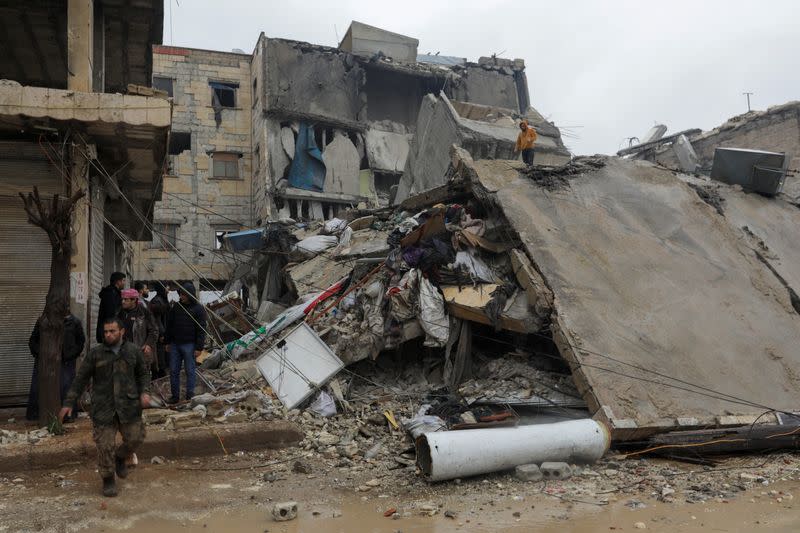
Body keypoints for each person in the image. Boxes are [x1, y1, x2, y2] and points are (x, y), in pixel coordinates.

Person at [60, 317, 150, 497]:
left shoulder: (133, 351)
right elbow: (80, 379)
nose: (108, 335)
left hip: (128, 406)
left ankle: (120, 457)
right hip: (104, 407)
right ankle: (108, 479)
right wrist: (69, 403)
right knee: (105, 445)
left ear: (122, 332)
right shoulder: (96, 354)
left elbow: (142, 373)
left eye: (112, 331)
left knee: (136, 437)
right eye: (106, 331)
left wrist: (144, 392)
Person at [26, 311, 86, 421]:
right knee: (39, 387)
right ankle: (36, 415)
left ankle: (67, 416)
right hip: (45, 362)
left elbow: (81, 341)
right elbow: (33, 341)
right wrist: (41, 355)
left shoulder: (74, 322)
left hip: (66, 361)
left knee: (66, 387)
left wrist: (70, 355)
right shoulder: (43, 321)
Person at [164, 282, 206, 403]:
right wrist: (167, 342)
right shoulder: (176, 307)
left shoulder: (198, 309)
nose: (181, 297)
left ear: (190, 295)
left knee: (190, 370)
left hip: (190, 345)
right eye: (180, 294)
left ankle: (190, 396)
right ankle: (175, 396)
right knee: (173, 370)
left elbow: (201, 329)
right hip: (175, 344)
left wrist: (199, 347)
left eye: (184, 295)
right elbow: (169, 326)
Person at [117, 288, 159, 379]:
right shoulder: (119, 313)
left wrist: (148, 344)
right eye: (122, 299)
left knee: (141, 381)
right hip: (123, 353)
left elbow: (154, 330)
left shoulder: (144, 313)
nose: (123, 302)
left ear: (134, 300)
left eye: (126, 300)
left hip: (140, 352)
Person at [147, 282, 170, 379]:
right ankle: (157, 377)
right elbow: (156, 320)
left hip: (163, 332)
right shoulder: (157, 301)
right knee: (160, 357)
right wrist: (162, 334)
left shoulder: (162, 300)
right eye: (167, 288)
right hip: (160, 334)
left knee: (163, 357)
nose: (168, 290)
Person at [96, 272, 126, 343]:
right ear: (118, 282)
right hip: (109, 333)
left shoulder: (114, 293)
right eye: (123, 280)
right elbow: (111, 314)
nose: (124, 283)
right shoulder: (110, 294)